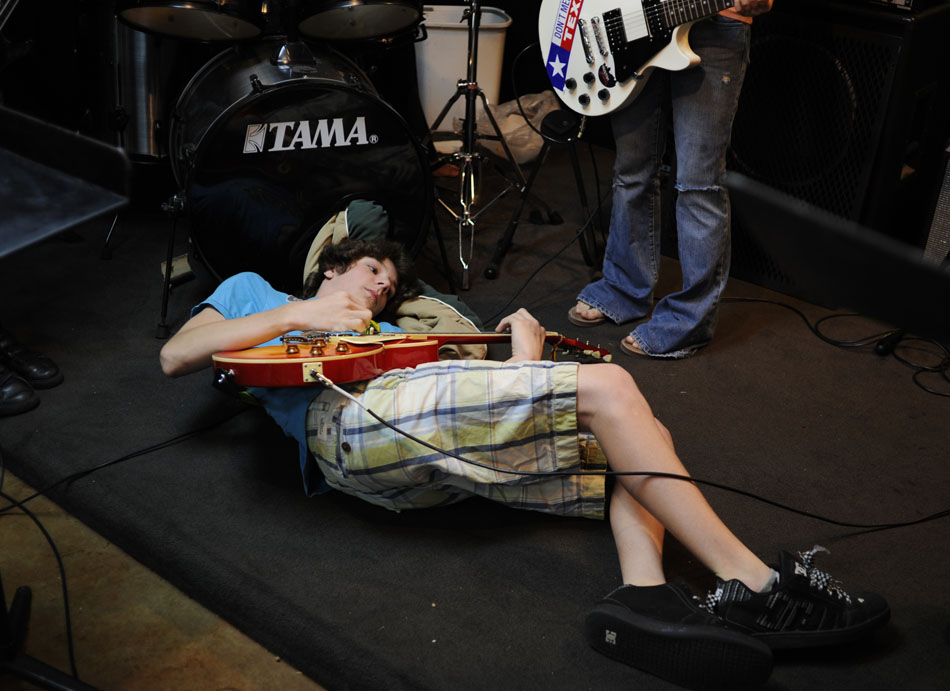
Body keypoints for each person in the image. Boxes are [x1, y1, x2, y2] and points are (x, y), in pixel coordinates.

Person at [161, 237, 889, 690]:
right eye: (373, 270)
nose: (382, 286)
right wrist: (301, 315)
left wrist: (527, 363)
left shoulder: (389, 333)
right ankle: (755, 582)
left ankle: (642, 596)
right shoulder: (260, 293)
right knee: (610, 387)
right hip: (349, 424)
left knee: (636, 431)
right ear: (331, 265)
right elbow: (177, 355)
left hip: (414, 443)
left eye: (390, 285)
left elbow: (475, 401)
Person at [569, 1, 774, 358]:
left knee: (698, 184)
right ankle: (623, 287)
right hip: (634, 17)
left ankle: (687, 321)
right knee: (632, 169)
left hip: (715, 28)